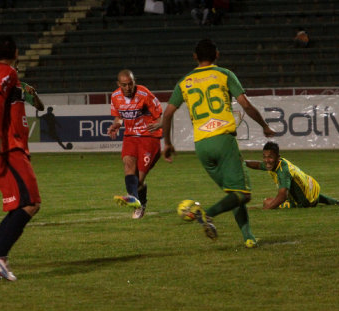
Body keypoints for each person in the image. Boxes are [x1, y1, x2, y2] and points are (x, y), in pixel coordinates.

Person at [153, 39, 275, 247]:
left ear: (195, 57)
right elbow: (245, 104)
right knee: (243, 194)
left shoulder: (185, 81)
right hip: (223, 140)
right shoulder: (224, 74)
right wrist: (264, 125)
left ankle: (248, 238)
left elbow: (168, 114)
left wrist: (167, 143)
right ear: (217, 54)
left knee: (233, 193)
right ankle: (206, 214)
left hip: (201, 146)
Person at [0, 35, 41, 282]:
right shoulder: (6, 73)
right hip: (10, 147)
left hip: (9, 147)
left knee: (18, 205)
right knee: (30, 203)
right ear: (16, 53)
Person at [107, 69, 163, 219]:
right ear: (118, 84)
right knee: (128, 164)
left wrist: (159, 124)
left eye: (130, 84)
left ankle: (139, 200)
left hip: (149, 137)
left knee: (139, 180)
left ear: (134, 82)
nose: (127, 88)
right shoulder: (115, 97)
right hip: (130, 136)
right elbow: (118, 118)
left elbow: (161, 116)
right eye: (124, 85)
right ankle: (134, 199)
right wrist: (116, 124)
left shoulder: (144, 94)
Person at [245, 141, 339, 209]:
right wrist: (243, 162)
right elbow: (258, 164)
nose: (267, 160)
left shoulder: (283, 171)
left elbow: (282, 196)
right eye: (264, 157)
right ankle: (335, 202)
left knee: (267, 202)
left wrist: (266, 209)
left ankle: (297, 203)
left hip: (305, 203)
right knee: (298, 191)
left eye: (270, 157)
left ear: (278, 157)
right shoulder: (278, 163)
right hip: (313, 191)